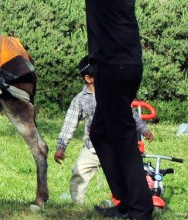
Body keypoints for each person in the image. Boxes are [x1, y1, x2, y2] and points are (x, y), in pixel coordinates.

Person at [39, 0, 154, 220]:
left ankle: (140, 210)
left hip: (113, 63)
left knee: (122, 135)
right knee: (102, 132)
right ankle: (126, 202)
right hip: (122, 61)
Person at [54, 56, 154, 205]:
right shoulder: (80, 100)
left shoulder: (113, 93)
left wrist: (143, 129)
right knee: (78, 173)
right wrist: (61, 147)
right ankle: (77, 205)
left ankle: (127, 204)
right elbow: (69, 123)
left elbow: (129, 113)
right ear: (88, 78)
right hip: (92, 148)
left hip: (116, 148)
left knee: (124, 176)